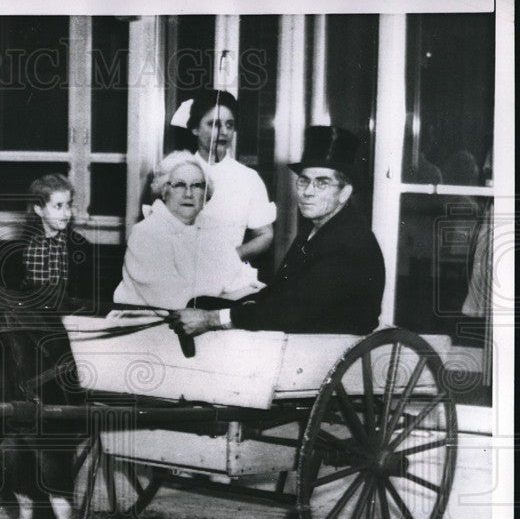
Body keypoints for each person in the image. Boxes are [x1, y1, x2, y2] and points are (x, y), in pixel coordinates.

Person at [173, 126, 385, 336]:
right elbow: (282, 291)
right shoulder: (318, 228)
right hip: (305, 335)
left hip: (326, 348)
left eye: (322, 183)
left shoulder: (349, 241)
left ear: (344, 193)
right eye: (304, 181)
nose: (307, 192)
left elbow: (293, 310)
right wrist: (232, 306)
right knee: (198, 303)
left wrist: (212, 319)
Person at [112, 150, 263, 310]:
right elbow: (176, 300)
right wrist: (233, 295)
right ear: (163, 190)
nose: (189, 194)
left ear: (205, 194)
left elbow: (239, 277)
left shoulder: (212, 229)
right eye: (179, 185)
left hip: (205, 320)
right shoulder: (146, 234)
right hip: (148, 324)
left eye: (197, 185)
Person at [169, 89, 276, 263]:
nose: (224, 132)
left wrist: (233, 256)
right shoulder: (175, 171)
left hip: (228, 274)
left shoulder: (248, 178)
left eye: (229, 125)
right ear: (195, 128)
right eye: (214, 124)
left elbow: (265, 235)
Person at [4, 173, 99, 310]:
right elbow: (11, 295)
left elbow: (88, 296)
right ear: (39, 210)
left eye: (68, 205)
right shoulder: (20, 249)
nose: (67, 213)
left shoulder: (81, 246)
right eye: (58, 206)